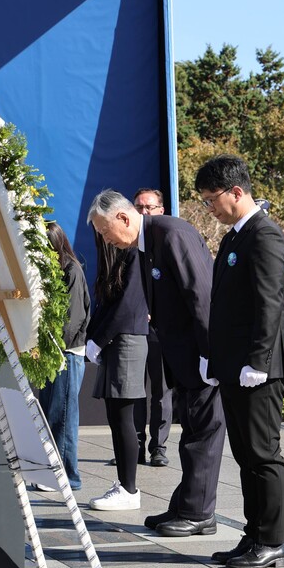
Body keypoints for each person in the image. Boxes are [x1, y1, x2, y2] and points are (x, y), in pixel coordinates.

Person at [87, 190, 226, 537]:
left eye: (104, 230)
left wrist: (211, 354)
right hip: (183, 357)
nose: (104, 239)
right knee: (191, 433)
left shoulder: (172, 233)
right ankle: (185, 505)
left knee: (204, 434)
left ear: (122, 217)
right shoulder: (145, 246)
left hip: (202, 357)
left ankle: (198, 513)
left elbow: (201, 294)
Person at [197, 155, 284, 568]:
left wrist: (258, 360)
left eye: (211, 199)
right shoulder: (236, 236)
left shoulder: (264, 235)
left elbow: (270, 302)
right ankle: (254, 534)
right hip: (235, 365)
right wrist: (213, 357)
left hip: (259, 368)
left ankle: (272, 541)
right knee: (245, 454)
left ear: (237, 191)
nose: (210, 208)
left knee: (263, 455)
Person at [85, 229, 149, 510]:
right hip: (116, 342)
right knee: (115, 417)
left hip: (127, 341)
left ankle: (129, 488)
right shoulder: (119, 260)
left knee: (124, 418)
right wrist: (92, 339)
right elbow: (106, 305)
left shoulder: (135, 255)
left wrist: (98, 340)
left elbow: (125, 307)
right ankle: (123, 484)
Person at [36, 222, 90, 492]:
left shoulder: (71, 270)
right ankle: (52, 471)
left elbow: (73, 318)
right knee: (49, 413)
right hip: (50, 352)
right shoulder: (51, 271)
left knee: (64, 415)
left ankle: (69, 476)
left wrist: (54, 346)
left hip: (66, 353)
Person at [132, 188, 173, 466]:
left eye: (149, 207)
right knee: (134, 389)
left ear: (161, 210)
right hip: (133, 329)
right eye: (139, 208)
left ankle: (158, 447)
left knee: (161, 391)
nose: (144, 213)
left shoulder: (170, 242)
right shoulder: (126, 244)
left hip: (161, 329)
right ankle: (133, 446)